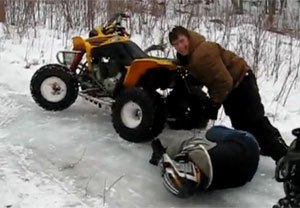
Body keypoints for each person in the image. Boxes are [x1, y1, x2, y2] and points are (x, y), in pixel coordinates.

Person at [168, 26, 288, 162]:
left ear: (189, 37)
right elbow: (205, 71)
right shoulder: (192, 54)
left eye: (182, 41)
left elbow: (224, 82)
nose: (180, 46)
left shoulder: (202, 53)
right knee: (242, 124)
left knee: (254, 121)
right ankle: (266, 147)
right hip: (233, 87)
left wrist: (214, 103)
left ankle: (282, 156)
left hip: (241, 83)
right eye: (176, 44)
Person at [149, 125, 260, 198]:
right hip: (246, 143)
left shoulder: (202, 187)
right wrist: (164, 154)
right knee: (208, 134)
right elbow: (185, 146)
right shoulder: (199, 156)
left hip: (248, 171)